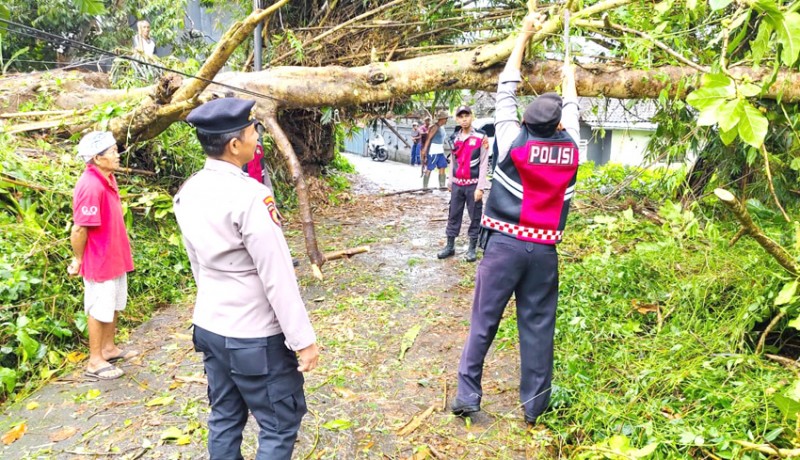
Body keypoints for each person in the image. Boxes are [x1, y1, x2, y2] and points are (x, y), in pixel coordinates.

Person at [451, 11, 580, 426]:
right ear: (559, 123)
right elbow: (572, 105)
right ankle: (535, 407)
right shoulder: (573, 146)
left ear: (526, 119)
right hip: (544, 253)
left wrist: (523, 34)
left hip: (503, 247)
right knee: (539, 329)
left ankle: (467, 396)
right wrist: (569, 72)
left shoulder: (511, 139)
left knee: (483, 323)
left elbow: (506, 88)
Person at [174, 98, 319, 460]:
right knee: (279, 424)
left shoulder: (187, 191)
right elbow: (277, 276)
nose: (258, 136)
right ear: (234, 145)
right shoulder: (252, 197)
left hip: (209, 325)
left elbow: (198, 266)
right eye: (253, 130)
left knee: (224, 416)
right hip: (255, 337)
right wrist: (303, 340)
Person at [68, 131, 138, 381]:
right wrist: (78, 260)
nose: (117, 155)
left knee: (114, 304)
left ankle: (109, 348)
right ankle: (95, 360)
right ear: (97, 158)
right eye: (112, 152)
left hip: (114, 256)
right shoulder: (90, 186)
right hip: (99, 260)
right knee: (99, 307)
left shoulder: (107, 178)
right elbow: (79, 228)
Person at [437, 105, 490, 262]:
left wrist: (481, 187)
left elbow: (484, 163)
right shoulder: (454, 138)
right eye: (461, 116)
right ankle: (450, 246)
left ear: (471, 116)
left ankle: (472, 248)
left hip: (473, 185)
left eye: (467, 115)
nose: (464, 119)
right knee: (453, 213)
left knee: (474, 216)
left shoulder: (481, 137)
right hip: (458, 185)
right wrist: (450, 181)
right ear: (457, 119)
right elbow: (453, 161)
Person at [420, 110, 449, 189]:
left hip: (440, 150)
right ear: (442, 119)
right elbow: (429, 138)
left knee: (443, 166)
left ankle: (442, 185)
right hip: (434, 151)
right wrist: (424, 150)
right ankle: (425, 187)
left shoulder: (442, 128)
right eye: (446, 118)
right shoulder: (435, 127)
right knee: (430, 168)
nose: (447, 120)